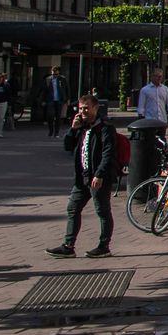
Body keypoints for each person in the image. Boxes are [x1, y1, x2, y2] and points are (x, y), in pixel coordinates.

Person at [46, 95, 117, 259]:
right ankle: (68, 246)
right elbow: (67, 146)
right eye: (80, 108)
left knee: (102, 211)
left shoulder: (105, 128)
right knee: (73, 208)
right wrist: (73, 129)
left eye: (86, 108)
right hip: (82, 178)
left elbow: (108, 153)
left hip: (98, 178)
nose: (83, 111)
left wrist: (99, 174)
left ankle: (104, 246)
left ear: (95, 108)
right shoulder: (82, 127)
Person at [43, 66, 70, 138]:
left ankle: (56, 132)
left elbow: (67, 89)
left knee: (58, 117)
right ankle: (51, 130)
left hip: (59, 100)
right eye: (53, 74)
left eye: (56, 74)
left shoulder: (63, 79)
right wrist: (43, 100)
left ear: (59, 73)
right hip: (50, 100)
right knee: (50, 115)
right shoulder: (48, 79)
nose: (54, 76)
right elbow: (44, 90)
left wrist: (67, 99)